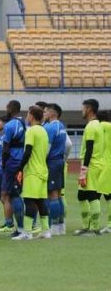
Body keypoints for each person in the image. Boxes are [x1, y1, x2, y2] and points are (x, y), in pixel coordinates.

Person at [9, 106, 50, 240]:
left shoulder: (31, 131)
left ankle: (27, 232)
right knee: (40, 201)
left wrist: (20, 167)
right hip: (43, 170)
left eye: (27, 114)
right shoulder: (43, 131)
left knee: (29, 201)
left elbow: (28, 151)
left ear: (32, 116)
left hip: (32, 171)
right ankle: (46, 231)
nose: (26, 117)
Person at [75, 99, 105, 236]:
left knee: (93, 196)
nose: (81, 111)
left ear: (89, 109)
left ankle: (94, 228)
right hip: (96, 164)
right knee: (81, 195)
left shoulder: (91, 126)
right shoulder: (98, 125)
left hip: (92, 165)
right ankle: (86, 226)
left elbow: (89, 148)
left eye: (83, 108)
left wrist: (84, 169)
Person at [0, 100, 26, 235]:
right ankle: (16, 225)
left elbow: (5, 148)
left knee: (13, 194)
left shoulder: (9, 125)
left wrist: (3, 163)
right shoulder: (24, 123)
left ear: (10, 109)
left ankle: (20, 227)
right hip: (20, 161)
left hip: (12, 162)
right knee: (13, 193)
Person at [43, 103, 68, 236]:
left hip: (52, 162)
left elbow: (46, 148)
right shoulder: (62, 126)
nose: (44, 114)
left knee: (52, 194)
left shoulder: (52, 127)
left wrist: (41, 160)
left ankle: (54, 226)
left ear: (53, 113)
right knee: (58, 194)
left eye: (46, 112)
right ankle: (61, 225)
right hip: (59, 161)